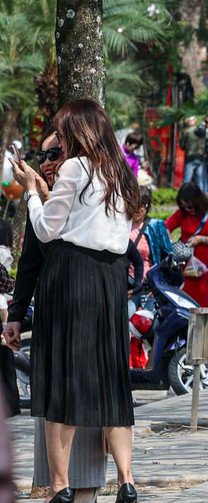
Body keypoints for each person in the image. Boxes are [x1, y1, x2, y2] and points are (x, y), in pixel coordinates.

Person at [9, 100, 140, 503]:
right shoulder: (121, 174)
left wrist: (32, 192)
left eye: (62, 133)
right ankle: (127, 480)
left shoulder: (74, 168)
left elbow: (47, 231)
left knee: (60, 380)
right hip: (110, 281)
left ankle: (61, 485)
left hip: (73, 275)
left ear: (78, 131)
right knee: (111, 379)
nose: (59, 145)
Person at [5, 136, 108, 503]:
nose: (47, 162)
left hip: (87, 313)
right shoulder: (41, 206)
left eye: (55, 154)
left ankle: (82, 491)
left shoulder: (88, 198)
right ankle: (58, 490)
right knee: (52, 402)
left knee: (88, 402)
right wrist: (14, 317)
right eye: (43, 156)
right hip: (53, 318)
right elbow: (29, 264)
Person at [165, 183, 208, 340]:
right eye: (184, 207)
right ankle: (188, 341)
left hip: (206, 269)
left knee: (205, 306)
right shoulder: (183, 214)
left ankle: (207, 343)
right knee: (187, 306)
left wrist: (202, 239)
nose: (187, 210)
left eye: (190, 207)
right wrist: (170, 245)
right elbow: (166, 227)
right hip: (186, 268)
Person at [179, 116, 207, 192]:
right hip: (201, 156)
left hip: (190, 156)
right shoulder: (202, 130)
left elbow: (182, 144)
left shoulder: (186, 131)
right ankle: (201, 196)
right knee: (200, 179)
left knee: (187, 179)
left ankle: (185, 195)